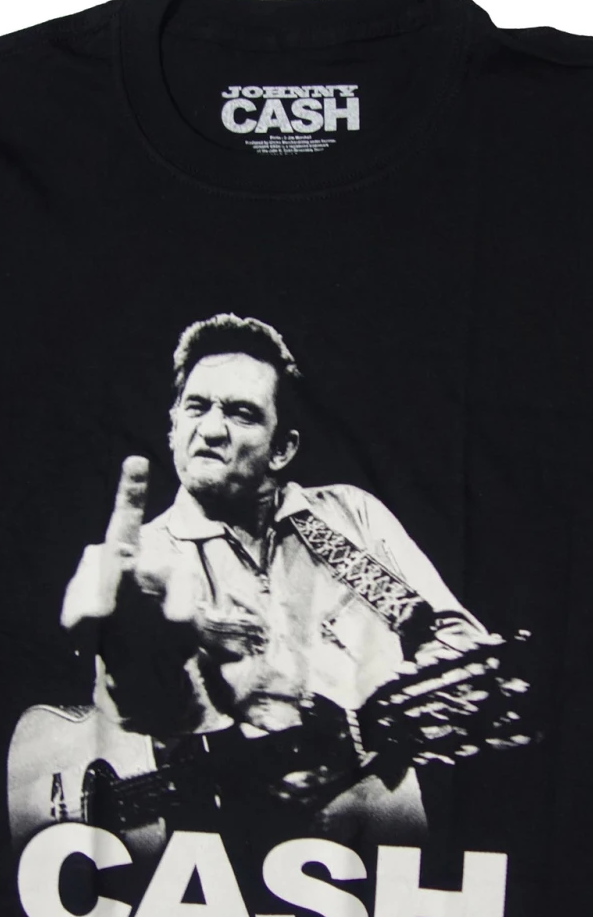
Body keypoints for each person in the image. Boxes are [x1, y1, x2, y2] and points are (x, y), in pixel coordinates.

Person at [58, 313, 495, 842]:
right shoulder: (145, 562)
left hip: (381, 850)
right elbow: (139, 710)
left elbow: (462, 652)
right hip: (214, 863)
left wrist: (374, 736)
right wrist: (129, 663)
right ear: (172, 425)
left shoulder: (349, 518)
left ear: (282, 448)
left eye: (241, 413)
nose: (211, 429)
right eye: (196, 407)